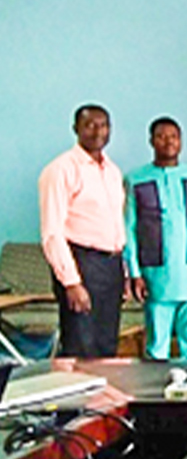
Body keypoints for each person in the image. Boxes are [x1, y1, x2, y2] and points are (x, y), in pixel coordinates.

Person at [124, 117, 187, 360]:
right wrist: (134, 273)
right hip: (156, 276)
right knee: (157, 347)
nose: (168, 142)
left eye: (174, 137)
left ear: (181, 141)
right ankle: (156, 396)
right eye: (161, 136)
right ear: (151, 141)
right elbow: (129, 229)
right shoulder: (136, 179)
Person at [39, 104, 126, 357]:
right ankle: (79, 399)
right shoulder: (60, 170)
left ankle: (104, 398)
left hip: (111, 267)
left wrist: (124, 272)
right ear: (75, 128)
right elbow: (52, 233)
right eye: (89, 125)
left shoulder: (112, 171)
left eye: (103, 125)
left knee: (106, 347)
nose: (98, 131)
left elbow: (116, 226)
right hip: (81, 265)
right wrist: (72, 283)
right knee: (81, 348)